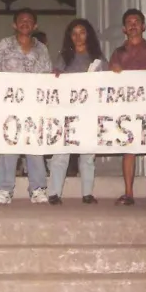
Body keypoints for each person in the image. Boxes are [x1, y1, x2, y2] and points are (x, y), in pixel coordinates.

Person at [109, 8, 146, 207]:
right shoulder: (118, 54)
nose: (133, 25)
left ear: (143, 26)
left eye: (137, 21)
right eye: (129, 22)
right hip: (127, 109)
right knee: (129, 150)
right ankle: (128, 193)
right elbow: (109, 84)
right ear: (124, 29)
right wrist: (114, 72)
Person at [0, 8, 52, 205]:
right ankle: (4, 189)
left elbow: (47, 75)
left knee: (34, 146)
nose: (25, 23)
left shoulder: (42, 48)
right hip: (9, 105)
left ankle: (37, 188)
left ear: (35, 26)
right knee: (9, 146)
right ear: (14, 24)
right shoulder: (4, 45)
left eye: (29, 21)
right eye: (21, 20)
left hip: (33, 105)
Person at [49, 18, 108, 205]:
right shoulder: (63, 58)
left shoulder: (98, 59)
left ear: (88, 34)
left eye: (81, 32)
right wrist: (56, 76)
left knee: (88, 154)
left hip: (90, 112)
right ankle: (54, 193)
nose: (78, 37)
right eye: (74, 33)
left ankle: (87, 193)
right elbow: (54, 82)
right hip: (67, 112)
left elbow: (107, 84)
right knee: (61, 154)